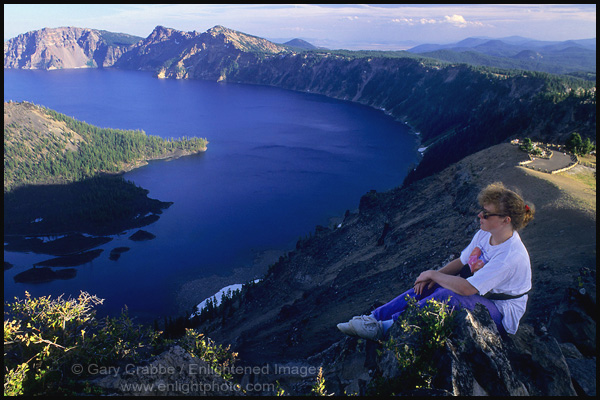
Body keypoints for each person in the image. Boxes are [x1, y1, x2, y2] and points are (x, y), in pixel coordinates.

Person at [337, 182, 535, 340]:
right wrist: (433, 278)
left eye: (486, 213)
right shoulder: (486, 234)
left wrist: (433, 274)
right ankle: (374, 318)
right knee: (429, 287)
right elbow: (461, 261)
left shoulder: (510, 256)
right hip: (482, 295)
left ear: (505, 220)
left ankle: (386, 329)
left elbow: (467, 289)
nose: (479, 215)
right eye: (481, 210)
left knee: (450, 294)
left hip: (501, 313)